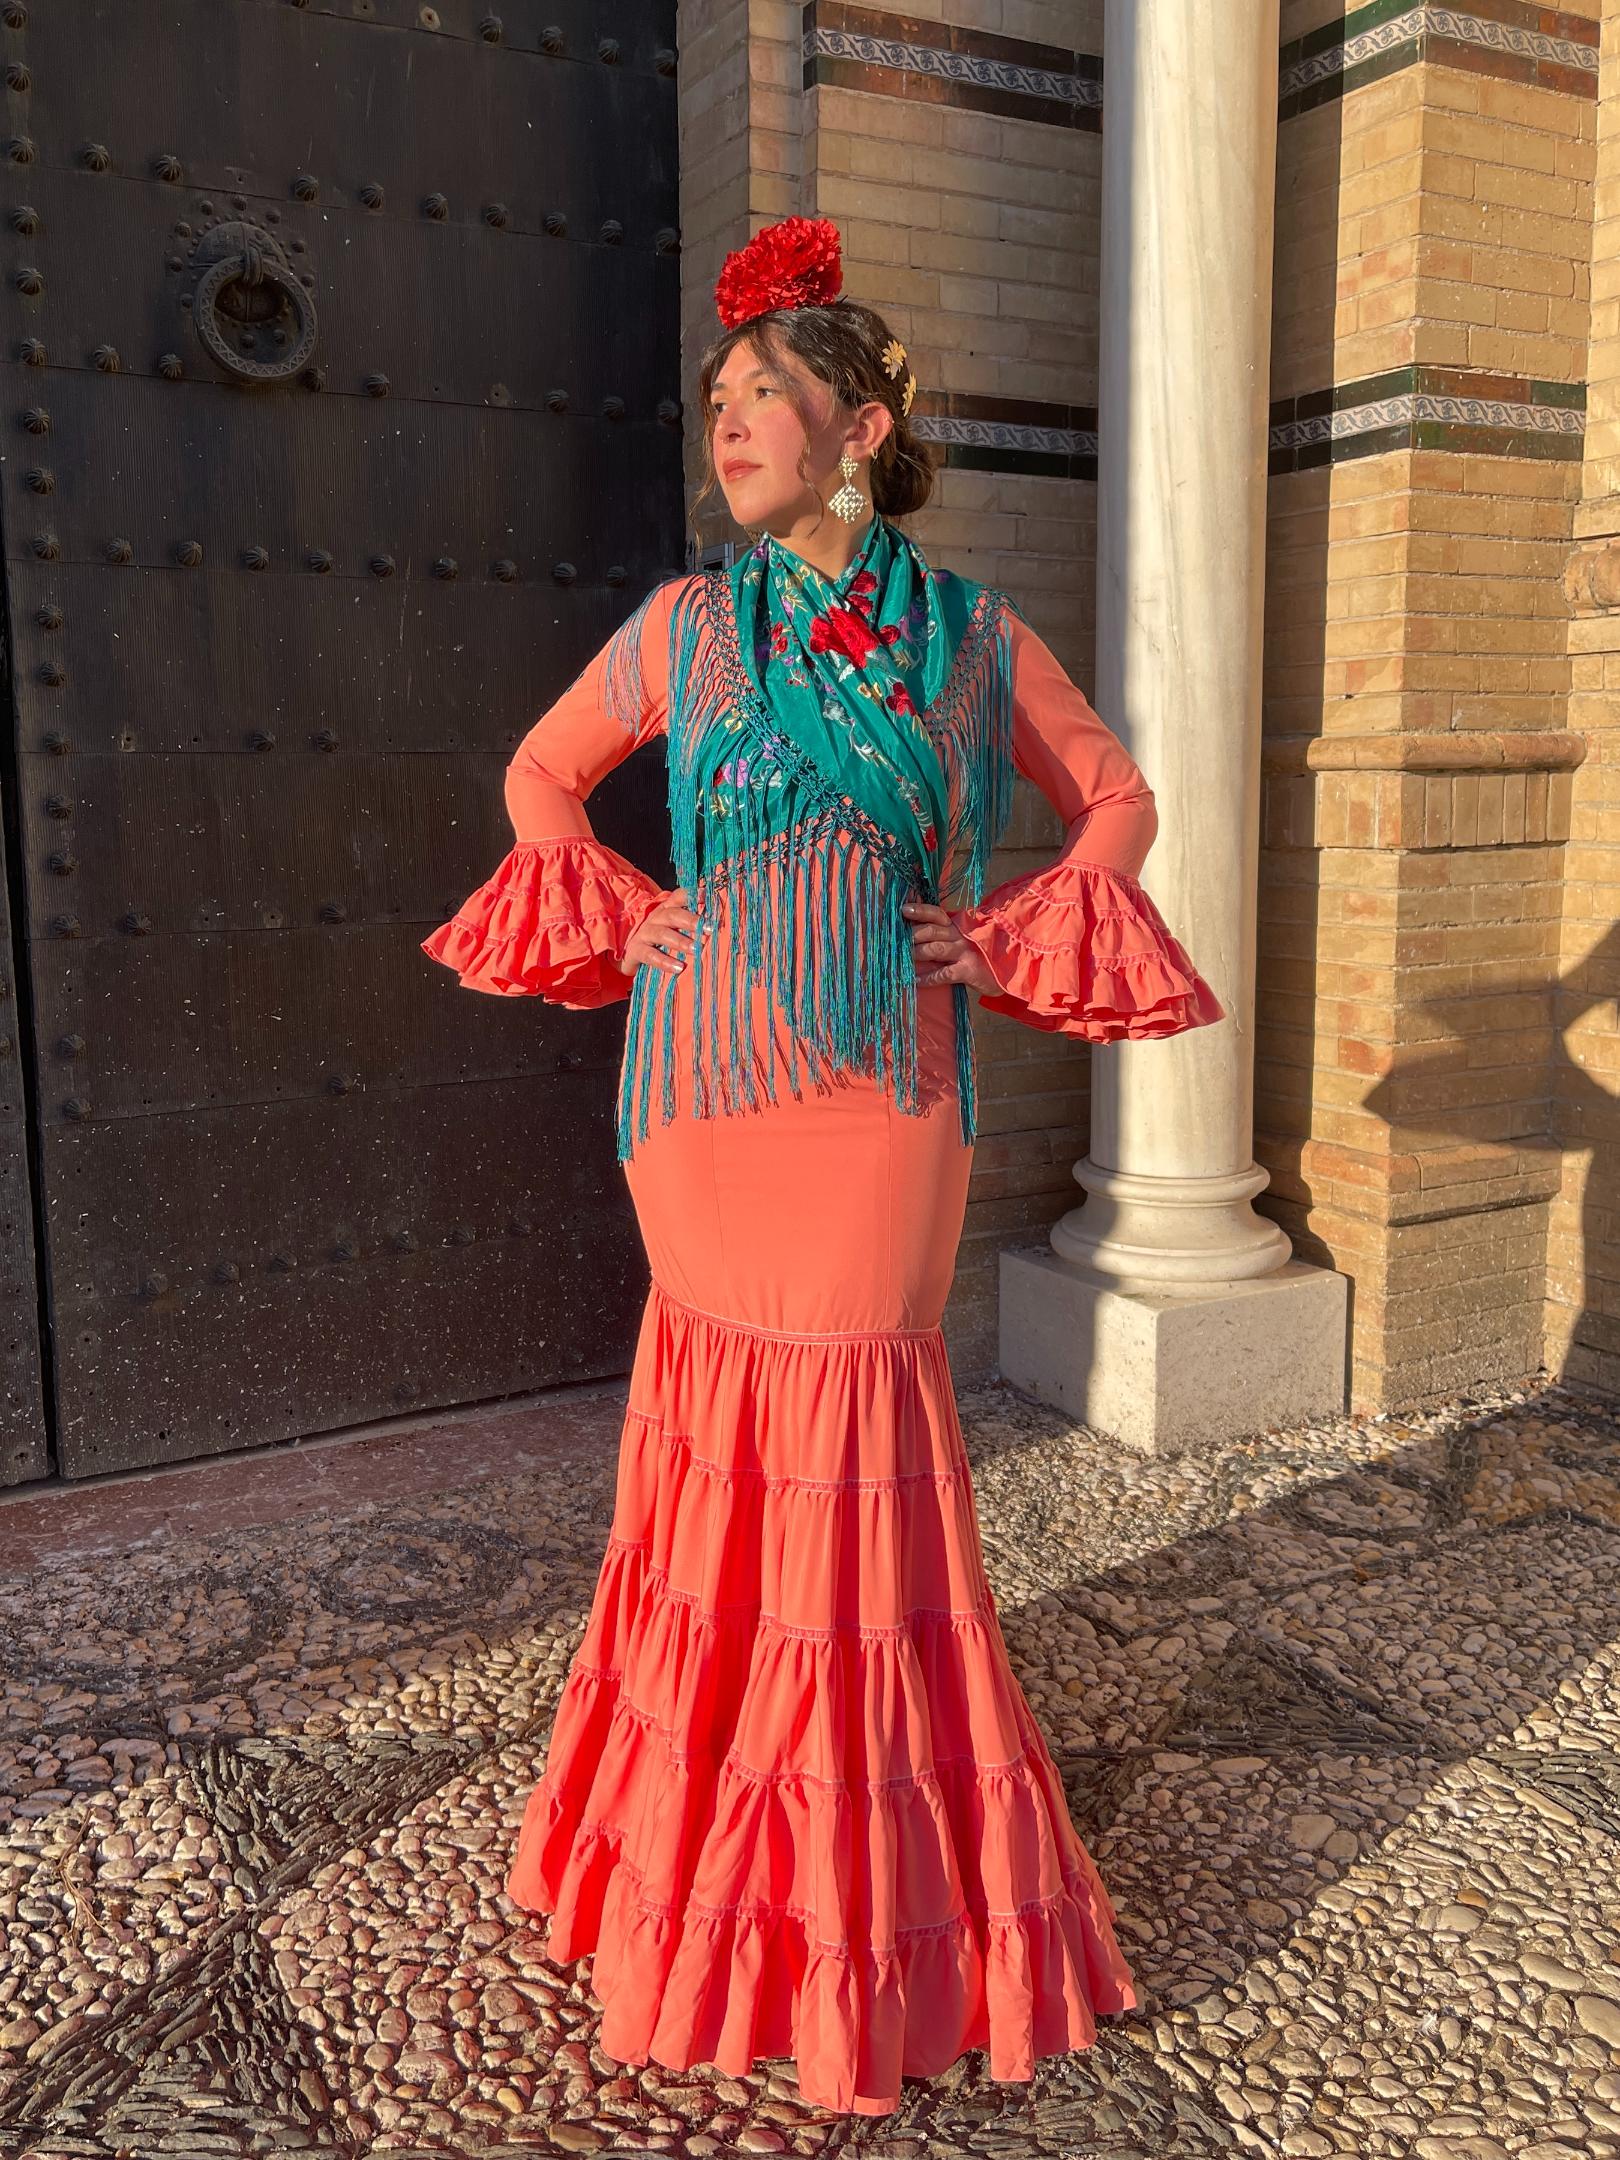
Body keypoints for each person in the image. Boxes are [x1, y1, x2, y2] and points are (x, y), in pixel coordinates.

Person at [422, 214, 1223, 2118]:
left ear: (860, 426)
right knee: (719, 1426)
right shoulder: (686, 627)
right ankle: (697, 1866)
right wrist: (627, 915)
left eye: (758, 403)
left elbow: (1117, 793)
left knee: (861, 1421)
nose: (727, 433)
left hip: (887, 1096)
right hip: (702, 1095)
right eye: (716, 408)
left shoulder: (967, 631)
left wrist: (1017, 924)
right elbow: (538, 775)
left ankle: (863, 1891)